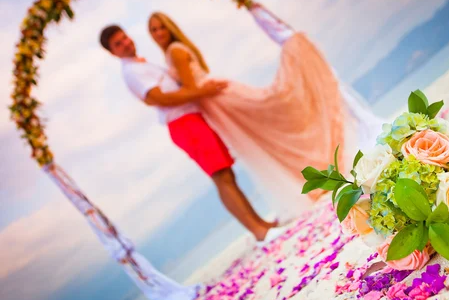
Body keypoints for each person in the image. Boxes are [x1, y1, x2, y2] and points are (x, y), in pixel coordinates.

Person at [146, 12, 345, 222]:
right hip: (214, 101)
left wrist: (159, 99)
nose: (159, 33)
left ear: (170, 27)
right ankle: (312, 171)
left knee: (268, 123)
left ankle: (316, 167)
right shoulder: (171, 53)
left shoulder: (175, 51)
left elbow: (191, 89)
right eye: (154, 30)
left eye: (161, 27)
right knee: (264, 135)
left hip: (216, 97)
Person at [99, 25, 280, 242]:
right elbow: (161, 98)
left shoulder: (140, 65)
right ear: (112, 52)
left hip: (189, 118)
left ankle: (261, 224)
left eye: (124, 38)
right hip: (183, 122)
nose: (126, 43)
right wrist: (201, 91)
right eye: (118, 44)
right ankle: (259, 231)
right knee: (221, 176)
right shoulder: (132, 71)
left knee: (226, 174)